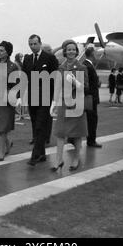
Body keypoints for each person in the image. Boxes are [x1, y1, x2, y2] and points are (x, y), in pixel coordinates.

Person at [50, 39, 88, 171]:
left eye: (73, 49)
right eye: (68, 49)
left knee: (77, 134)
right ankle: (58, 160)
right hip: (63, 103)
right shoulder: (60, 68)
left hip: (76, 103)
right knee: (60, 133)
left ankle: (76, 159)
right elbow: (57, 86)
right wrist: (54, 102)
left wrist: (75, 82)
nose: (71, 51)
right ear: (65, 52)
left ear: (76, 51)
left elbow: (85, 87)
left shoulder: (82, 67)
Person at [21, 34, 59, 166]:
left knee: (39, 126)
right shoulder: (27, 59)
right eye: (30, 44)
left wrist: (54, 98)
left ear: (40, 43)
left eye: (35, 44)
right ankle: (42, 154)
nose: (32, 46)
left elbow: (55, 77)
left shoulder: (49, 58)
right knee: (35, 125)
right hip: (32, 97)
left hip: (45, 97)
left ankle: (35, 155)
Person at [0, 41, 19, 161]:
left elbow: (17, 84)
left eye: (2, 50)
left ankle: (1, 151)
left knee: (3, 127)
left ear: (8, 52)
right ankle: (8, 142)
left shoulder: (13, 67)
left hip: (7, 99)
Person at [83, 44, 102, 148]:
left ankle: (89, 139)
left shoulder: (88, 65)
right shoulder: (88, 66)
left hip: (89, 96)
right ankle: (91, 140)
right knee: (92, 119)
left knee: (87, 118)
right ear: (92, 54)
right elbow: (86, 83)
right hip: (90, 97)